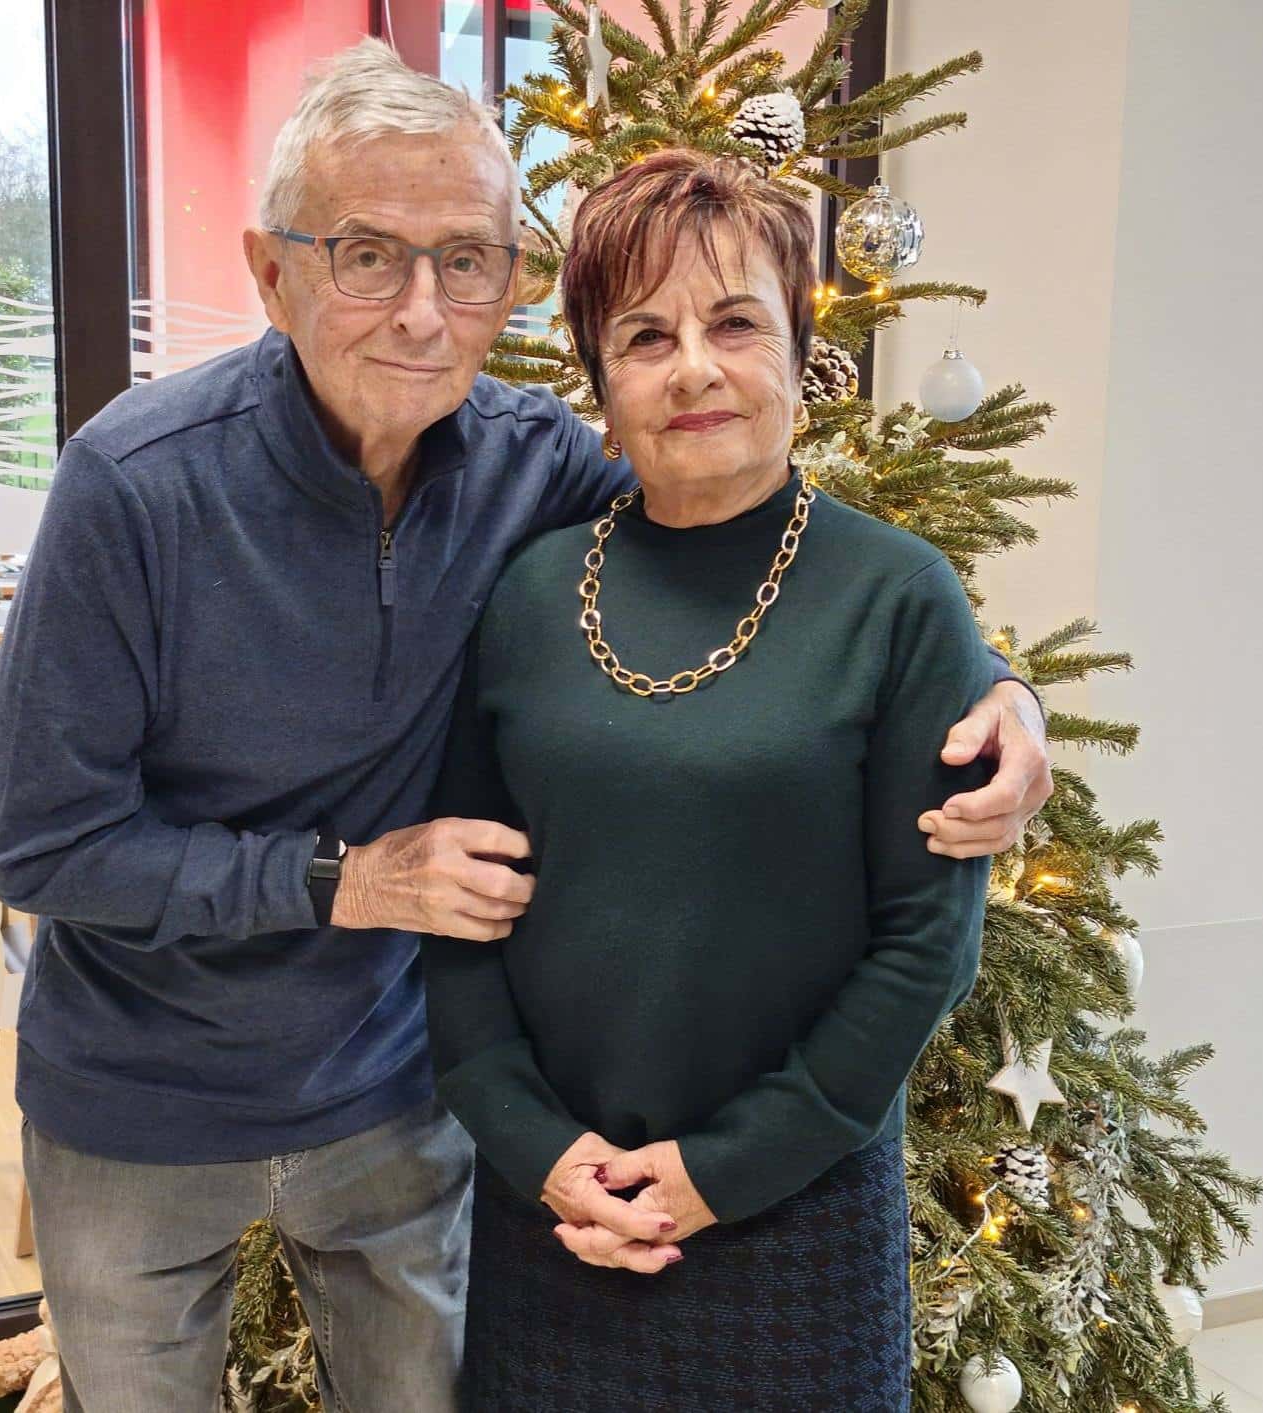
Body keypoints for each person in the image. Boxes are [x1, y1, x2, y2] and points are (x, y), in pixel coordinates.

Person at [0, 42, 1050, 1413]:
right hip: (144, 1103)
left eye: (467, 260)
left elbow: (763, 545)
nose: (422, 312)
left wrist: (1000, 690)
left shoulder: (529, 466)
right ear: (271, 272)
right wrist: (346, 879)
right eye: (367, 255)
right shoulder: (134, 487)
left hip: (389, 1102)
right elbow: (43, 845)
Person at [424, 148, 999, 1412]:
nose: (692, 367)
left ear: (798, 353)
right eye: (645, 336)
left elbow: (925, 945)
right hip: (554, 1214)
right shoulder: (526, 594)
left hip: (798, 1213)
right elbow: (460, 907)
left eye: (734, 323)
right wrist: (539, 1150)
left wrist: (723, 1170)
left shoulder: (898, 598)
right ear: (600, 383)